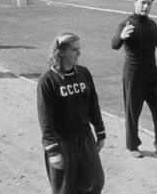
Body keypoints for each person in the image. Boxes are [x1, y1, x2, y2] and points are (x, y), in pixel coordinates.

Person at [37, 32, 106, 194]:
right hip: (62, 143)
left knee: (95, 182)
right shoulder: (47, 81)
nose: (79, 53)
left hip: (85, 138)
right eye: (74, 50)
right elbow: (45, 119)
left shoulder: (84, 73)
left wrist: (100, 132)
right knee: (65, 190)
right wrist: (53, 151)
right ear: (61, 52)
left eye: (79, 49)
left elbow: (93, 106)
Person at [111, 0, 157, 158]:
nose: (146, 6)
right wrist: (121, 37)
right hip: (133, 74)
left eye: (149, 3)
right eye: (143, 2)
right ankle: (133, 146)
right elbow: (114, 45)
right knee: (133, 111)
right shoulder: (125, 24)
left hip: (152, 73)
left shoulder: (151, 24)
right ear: (135, 3)